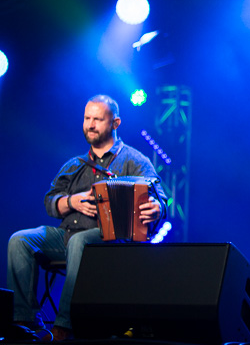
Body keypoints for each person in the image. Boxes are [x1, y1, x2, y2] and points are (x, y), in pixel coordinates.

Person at [7, 94, 167, 341]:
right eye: (87, 118)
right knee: (20, 239)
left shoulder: (134, 160)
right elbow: (50, 202)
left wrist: (157, 207)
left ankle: (64, 324)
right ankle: (24, 321)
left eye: (98, 119)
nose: (90, 125)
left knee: (80, 241)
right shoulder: (75, 164)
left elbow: (160, 197)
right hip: (67, 235)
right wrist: (72, 202)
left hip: (111, 241)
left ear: (115, 123)